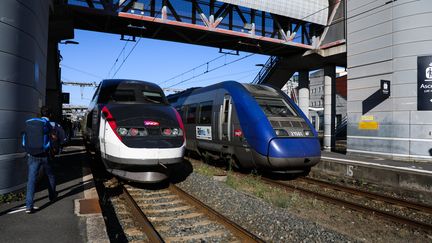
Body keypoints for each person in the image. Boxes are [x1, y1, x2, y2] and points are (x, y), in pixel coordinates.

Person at [23, 106, 58, 214]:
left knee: (31, 180)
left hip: (32, 154)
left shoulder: (30, 122)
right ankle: (52, 196)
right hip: (45, 154)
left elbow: (25, 139)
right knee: (50, 175)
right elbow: (54, 138)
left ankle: (28, 206)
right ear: (50, 115)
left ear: (40, 113)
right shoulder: (48, 124)